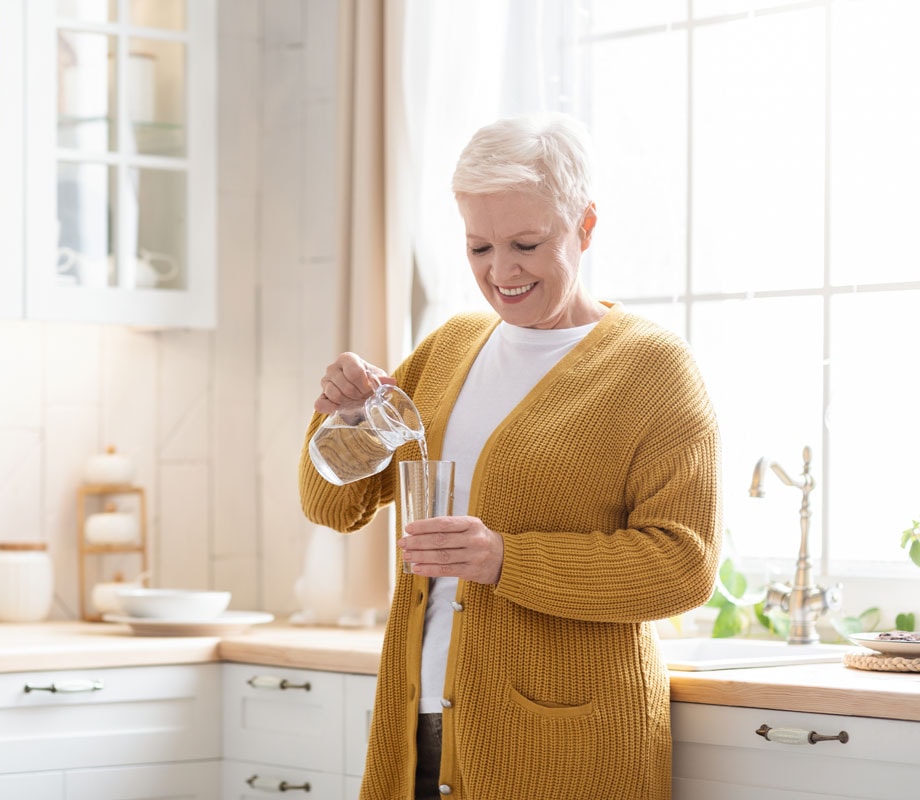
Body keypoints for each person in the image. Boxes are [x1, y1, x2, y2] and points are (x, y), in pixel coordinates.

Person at [298, 112, 721, 800]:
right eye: (478, 248)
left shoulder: (652, 368)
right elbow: (331, 506)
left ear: (584, 226)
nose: (502, 272)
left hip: (569, 741)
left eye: (526, 242)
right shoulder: (451, 347)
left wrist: (504, 559)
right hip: (422, 721)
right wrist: (344, 417)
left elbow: (684, 566)